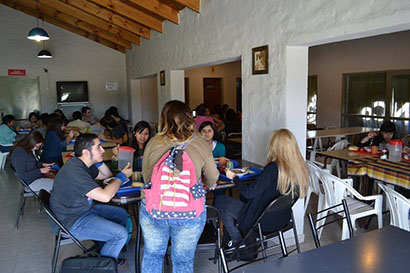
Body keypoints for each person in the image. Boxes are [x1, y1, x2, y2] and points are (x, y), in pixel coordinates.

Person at [140, 100, 219, 273]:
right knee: (183, 260)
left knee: (153, 255)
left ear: (163, 118)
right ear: (189, 118)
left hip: (155, 209)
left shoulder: (153, 142)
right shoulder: (200, 142)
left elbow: (147, 177)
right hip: (188, 210)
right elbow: (213, 177)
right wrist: (208, 183)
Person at [215, 129, 309, 249]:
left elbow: (248, 193)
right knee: (241, 198)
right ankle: (246, 237)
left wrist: (234, 178)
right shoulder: (299, 169)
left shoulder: (273, 168)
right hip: (282, 219)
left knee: (221, 200)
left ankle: (238, 240)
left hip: (262, 222)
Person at [49, 133, 133, 268]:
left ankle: (105, 249)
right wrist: (122, 177)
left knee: (122, 215)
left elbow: (107, 175)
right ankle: (103, 266)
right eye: (99, 147)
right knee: (120, 234)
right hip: (71, 220)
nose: (103, 150)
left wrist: (98, 160)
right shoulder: (75, 172)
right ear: (86, 152)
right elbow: (105, 197)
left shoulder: (81, 164)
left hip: (82, 210)